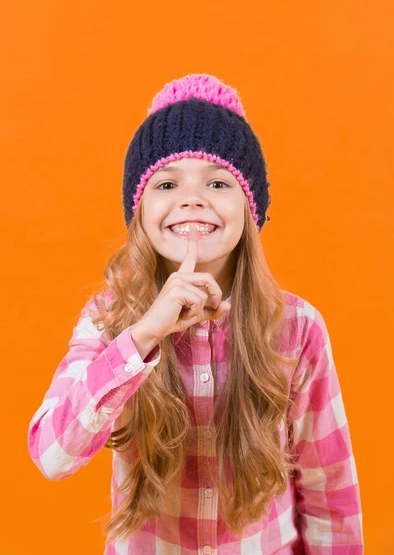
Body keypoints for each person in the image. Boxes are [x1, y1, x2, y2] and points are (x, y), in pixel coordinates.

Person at [27, 73, 364, 554]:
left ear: (251, 210)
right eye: (167, 183)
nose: (191, 198)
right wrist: (142, 337)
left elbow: (328, 488)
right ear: (139, 212)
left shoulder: (298, 328)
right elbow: (52, 455)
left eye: (217, 181)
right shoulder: (110, 319)